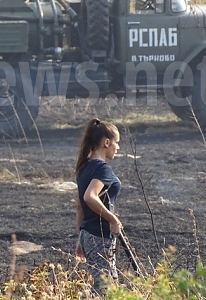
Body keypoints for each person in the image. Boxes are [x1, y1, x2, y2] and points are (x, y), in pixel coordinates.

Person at [75, 118, 122, 295]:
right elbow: (89, 197)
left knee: (108, 285)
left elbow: (79, 206)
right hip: (100, 236)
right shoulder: (103, 169)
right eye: (117, 143)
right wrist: (113, 219)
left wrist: (81, 237)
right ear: (106, 142)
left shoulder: (84, 167)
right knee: (103, 288)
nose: (118, 147)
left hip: (88, 234)